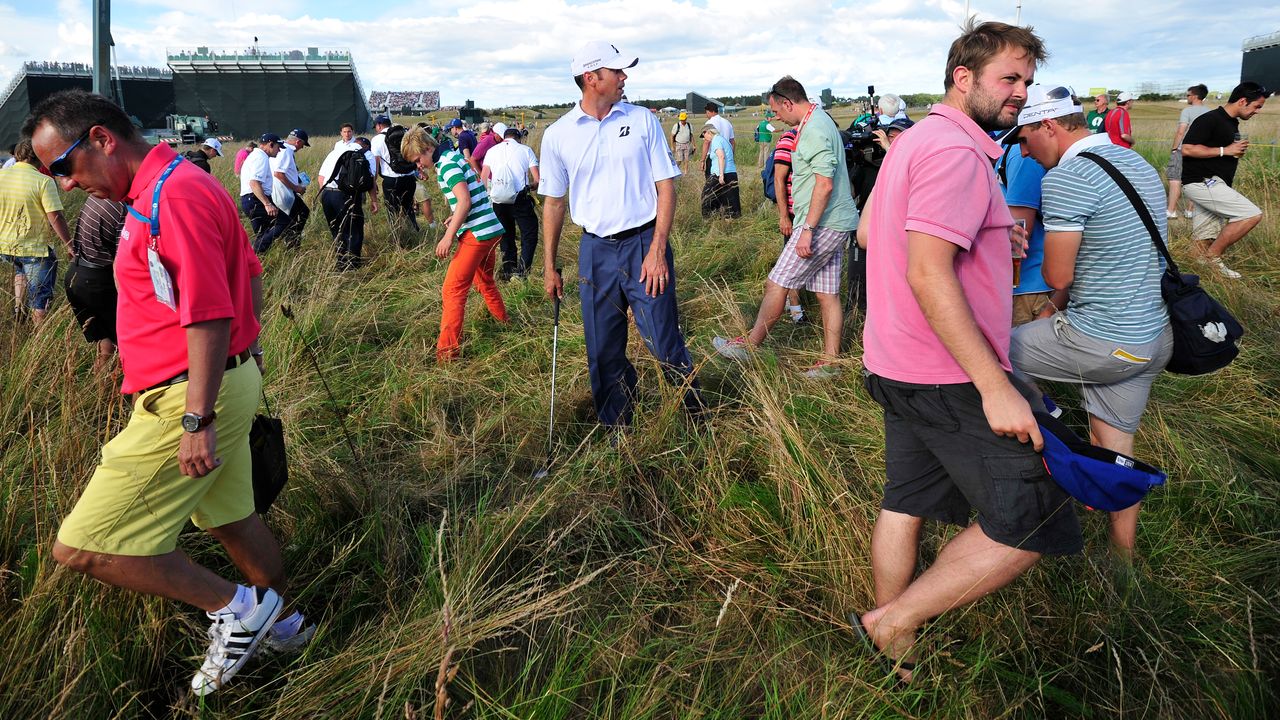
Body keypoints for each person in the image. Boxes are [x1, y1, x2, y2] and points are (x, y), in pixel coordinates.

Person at [25, 89, 311, 697]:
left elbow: (206, 313)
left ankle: (238, 612)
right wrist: (245, 356)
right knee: (232, 519)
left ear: (102, 139)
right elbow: (248, 275)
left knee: (81, 546)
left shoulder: (169, 196)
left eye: (64, 167)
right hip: (216, 384)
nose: (66, 186)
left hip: (187, 397)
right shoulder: (174, 183)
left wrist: (196, 417)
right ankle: (281, 623)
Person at [855, 21, 1081, 684]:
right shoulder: (957, 152)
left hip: (894, 360)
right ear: (964, 77)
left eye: (1028, 82)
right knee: (1037, 515)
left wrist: (979, 244)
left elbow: (873, 233)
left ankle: (895, 661)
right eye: (1009, 79)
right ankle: (892, 623)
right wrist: (995, 385)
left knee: (906, 502)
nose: (1021, 94)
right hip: (947, 370)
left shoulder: (915, 139)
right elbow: (928, 273)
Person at [1007, 83, 1173, 559]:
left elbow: (1058, 272)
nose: (1024, 151)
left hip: (1102, 340)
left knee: (994, 354)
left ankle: (1052, 427)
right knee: (1115, 446)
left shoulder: (1066, 178)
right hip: (1152, 336)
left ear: (1049, 126)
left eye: (1025, 138)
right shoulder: (1134, 161)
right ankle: (1122, 560)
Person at [539, 40, 704, 430]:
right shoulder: (559, 135)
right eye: (617, 71)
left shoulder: (643, 120)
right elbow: (553, 203)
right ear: (592, 78)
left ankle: (696, 419)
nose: (624, 77)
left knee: (664, 343)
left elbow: (666, 186)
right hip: (595, 250)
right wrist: (549, 266)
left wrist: (658, 249)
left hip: (644, 245)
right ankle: (617, 427)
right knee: (603, 351)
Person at [712, 76, 858, 378]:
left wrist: (807, 229)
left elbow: (825, 183)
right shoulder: (819, 121)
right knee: (826, 294)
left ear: (788, 102)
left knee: (777, 282)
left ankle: (749, 348)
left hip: (821, 224)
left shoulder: (814, 129)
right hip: (835, 222)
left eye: (777, 111)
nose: (776, 117)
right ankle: (831, 363)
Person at [401, 127, 508, 361]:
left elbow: (465, 201)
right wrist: (455, 217)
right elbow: (474, 194)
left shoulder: (447, 166)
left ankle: (447, 355)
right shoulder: (453, 156)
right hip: (491, 228)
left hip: (478, 234)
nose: (419, 165)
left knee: (452, 291)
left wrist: (449, 235)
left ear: (428, 149)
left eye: (418, 160)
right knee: (485, 281)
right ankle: (504, 323)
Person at [1178, 81, 1268, 279]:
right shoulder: (1209, 119)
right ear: (1243, 101)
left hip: (1213, 182)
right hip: (1203, 182)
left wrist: (1231, 153)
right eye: (1257, 106)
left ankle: (1196, 276)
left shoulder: (1231, 122)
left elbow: (1222, 151)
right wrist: (1225, 150)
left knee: (1205, 236)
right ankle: (1213, 258)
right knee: (1250, 215)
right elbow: (1186, 149)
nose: (1258, 111)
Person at [0, 138, 71, 324]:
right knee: (40, 296)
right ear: (39, 156)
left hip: (7, 245)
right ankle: (40, 334)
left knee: (20, 271)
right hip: (35, 247)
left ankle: (18, 308)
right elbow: (55, 217)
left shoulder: (1, 176)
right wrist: (69, 245)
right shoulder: (44, 182)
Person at [994, 127, 1052, 326]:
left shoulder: (1021, 156)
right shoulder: (1008, 149)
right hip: (1016, 287)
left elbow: (1019, 234)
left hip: (1026, 289)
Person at [64, 195, 126, 365]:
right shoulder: (125, 206)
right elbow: (122, 259)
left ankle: (101, 390)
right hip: (97, 281)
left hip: (76, 274)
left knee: (106, 342)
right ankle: (128, 389)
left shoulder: (98, 195)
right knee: (126, 345)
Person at [481, 125, 541, 279]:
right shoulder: (526, 150)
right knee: (529, 233)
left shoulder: (492, 151)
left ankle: (508, 269)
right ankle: (523, 270)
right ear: (518, 138)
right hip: (520, 198)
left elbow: (484, 177)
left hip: (498, 199)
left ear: (504, 137)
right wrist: (532, 187)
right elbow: (537, 180)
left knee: (506, 235)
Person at [315, 136, 379, 271]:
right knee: (353, 230)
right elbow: (370, 179)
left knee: (336, 229)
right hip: (346, 196)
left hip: (327, 193)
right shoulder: (364, 155)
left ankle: (341, 261)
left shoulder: (334, 152)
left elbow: (320, 178)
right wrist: (374, 200)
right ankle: (352, 265)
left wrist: (325, 196)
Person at [771, 126, 805, 323]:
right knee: (792, 264)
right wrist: (784, 216)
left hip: (808, 215)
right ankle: (796, 311)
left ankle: (790, 303)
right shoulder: (789, 138)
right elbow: (779, 178)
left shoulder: (812, 135)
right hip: (793, 215)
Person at [1165, 84, 1212, 220]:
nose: (1187, 98)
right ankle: (1190, 211)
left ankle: (1171, 210)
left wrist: (1174, 149)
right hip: (1200, 151)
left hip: (1183, 149)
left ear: (1195, 96)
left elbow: (1181, 131)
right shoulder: (1209, 112)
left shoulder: (1187, 111)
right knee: (1195, 180)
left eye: (1188, 95)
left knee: (1175, 179)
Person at [371, 115, 419, 245]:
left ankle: (398, 239)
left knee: (393, 211)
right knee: (408, 207)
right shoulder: (403, 134)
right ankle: (415, 233)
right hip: (409, 177)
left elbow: (375, 162)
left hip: (391, 180)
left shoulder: (376, 140)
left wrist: (373, 182)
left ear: (379, 125)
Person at [238, 133, 290, 253]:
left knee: (262, 232)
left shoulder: (254, 155)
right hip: (256, 199)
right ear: (270, 144)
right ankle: (254, 250)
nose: (279, 151)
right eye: (278, 147)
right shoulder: (261, 157)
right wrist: (267, 204)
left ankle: (254, 260)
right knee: (284, 222)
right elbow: (254, 182)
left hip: (250, 200)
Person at [270, 129, 311, 248]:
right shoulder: (287, 151)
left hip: (278, 191)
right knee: (300, 215)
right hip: (283, 193)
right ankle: (292, 245)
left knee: (295, 216)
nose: (301, 148)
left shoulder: (280, 148)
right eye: (302, 145)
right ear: (298, 142)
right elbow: (278, 173)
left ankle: (289, 242)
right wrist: (296, 188)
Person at [699, 124, 740, 218]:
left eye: (703, 135)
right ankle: (728, 220)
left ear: (708, 132)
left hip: (720, 173)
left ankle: (708, 219)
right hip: (731, 173)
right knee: (728, 199)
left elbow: (721, 156)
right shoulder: (723, 139)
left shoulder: (716, 140)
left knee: (706, 196)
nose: (703, 138)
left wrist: (721, 175)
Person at [701, 102, 734, 174]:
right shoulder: (727, 122)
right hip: (727, 156)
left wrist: (702, 160)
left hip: (714, 157)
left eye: (707, 112)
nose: (706, 115)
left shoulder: (709, 123)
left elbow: (706, 142)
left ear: (711, 111)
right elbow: (732, 142)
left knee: (712, 182)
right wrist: (731, 156)